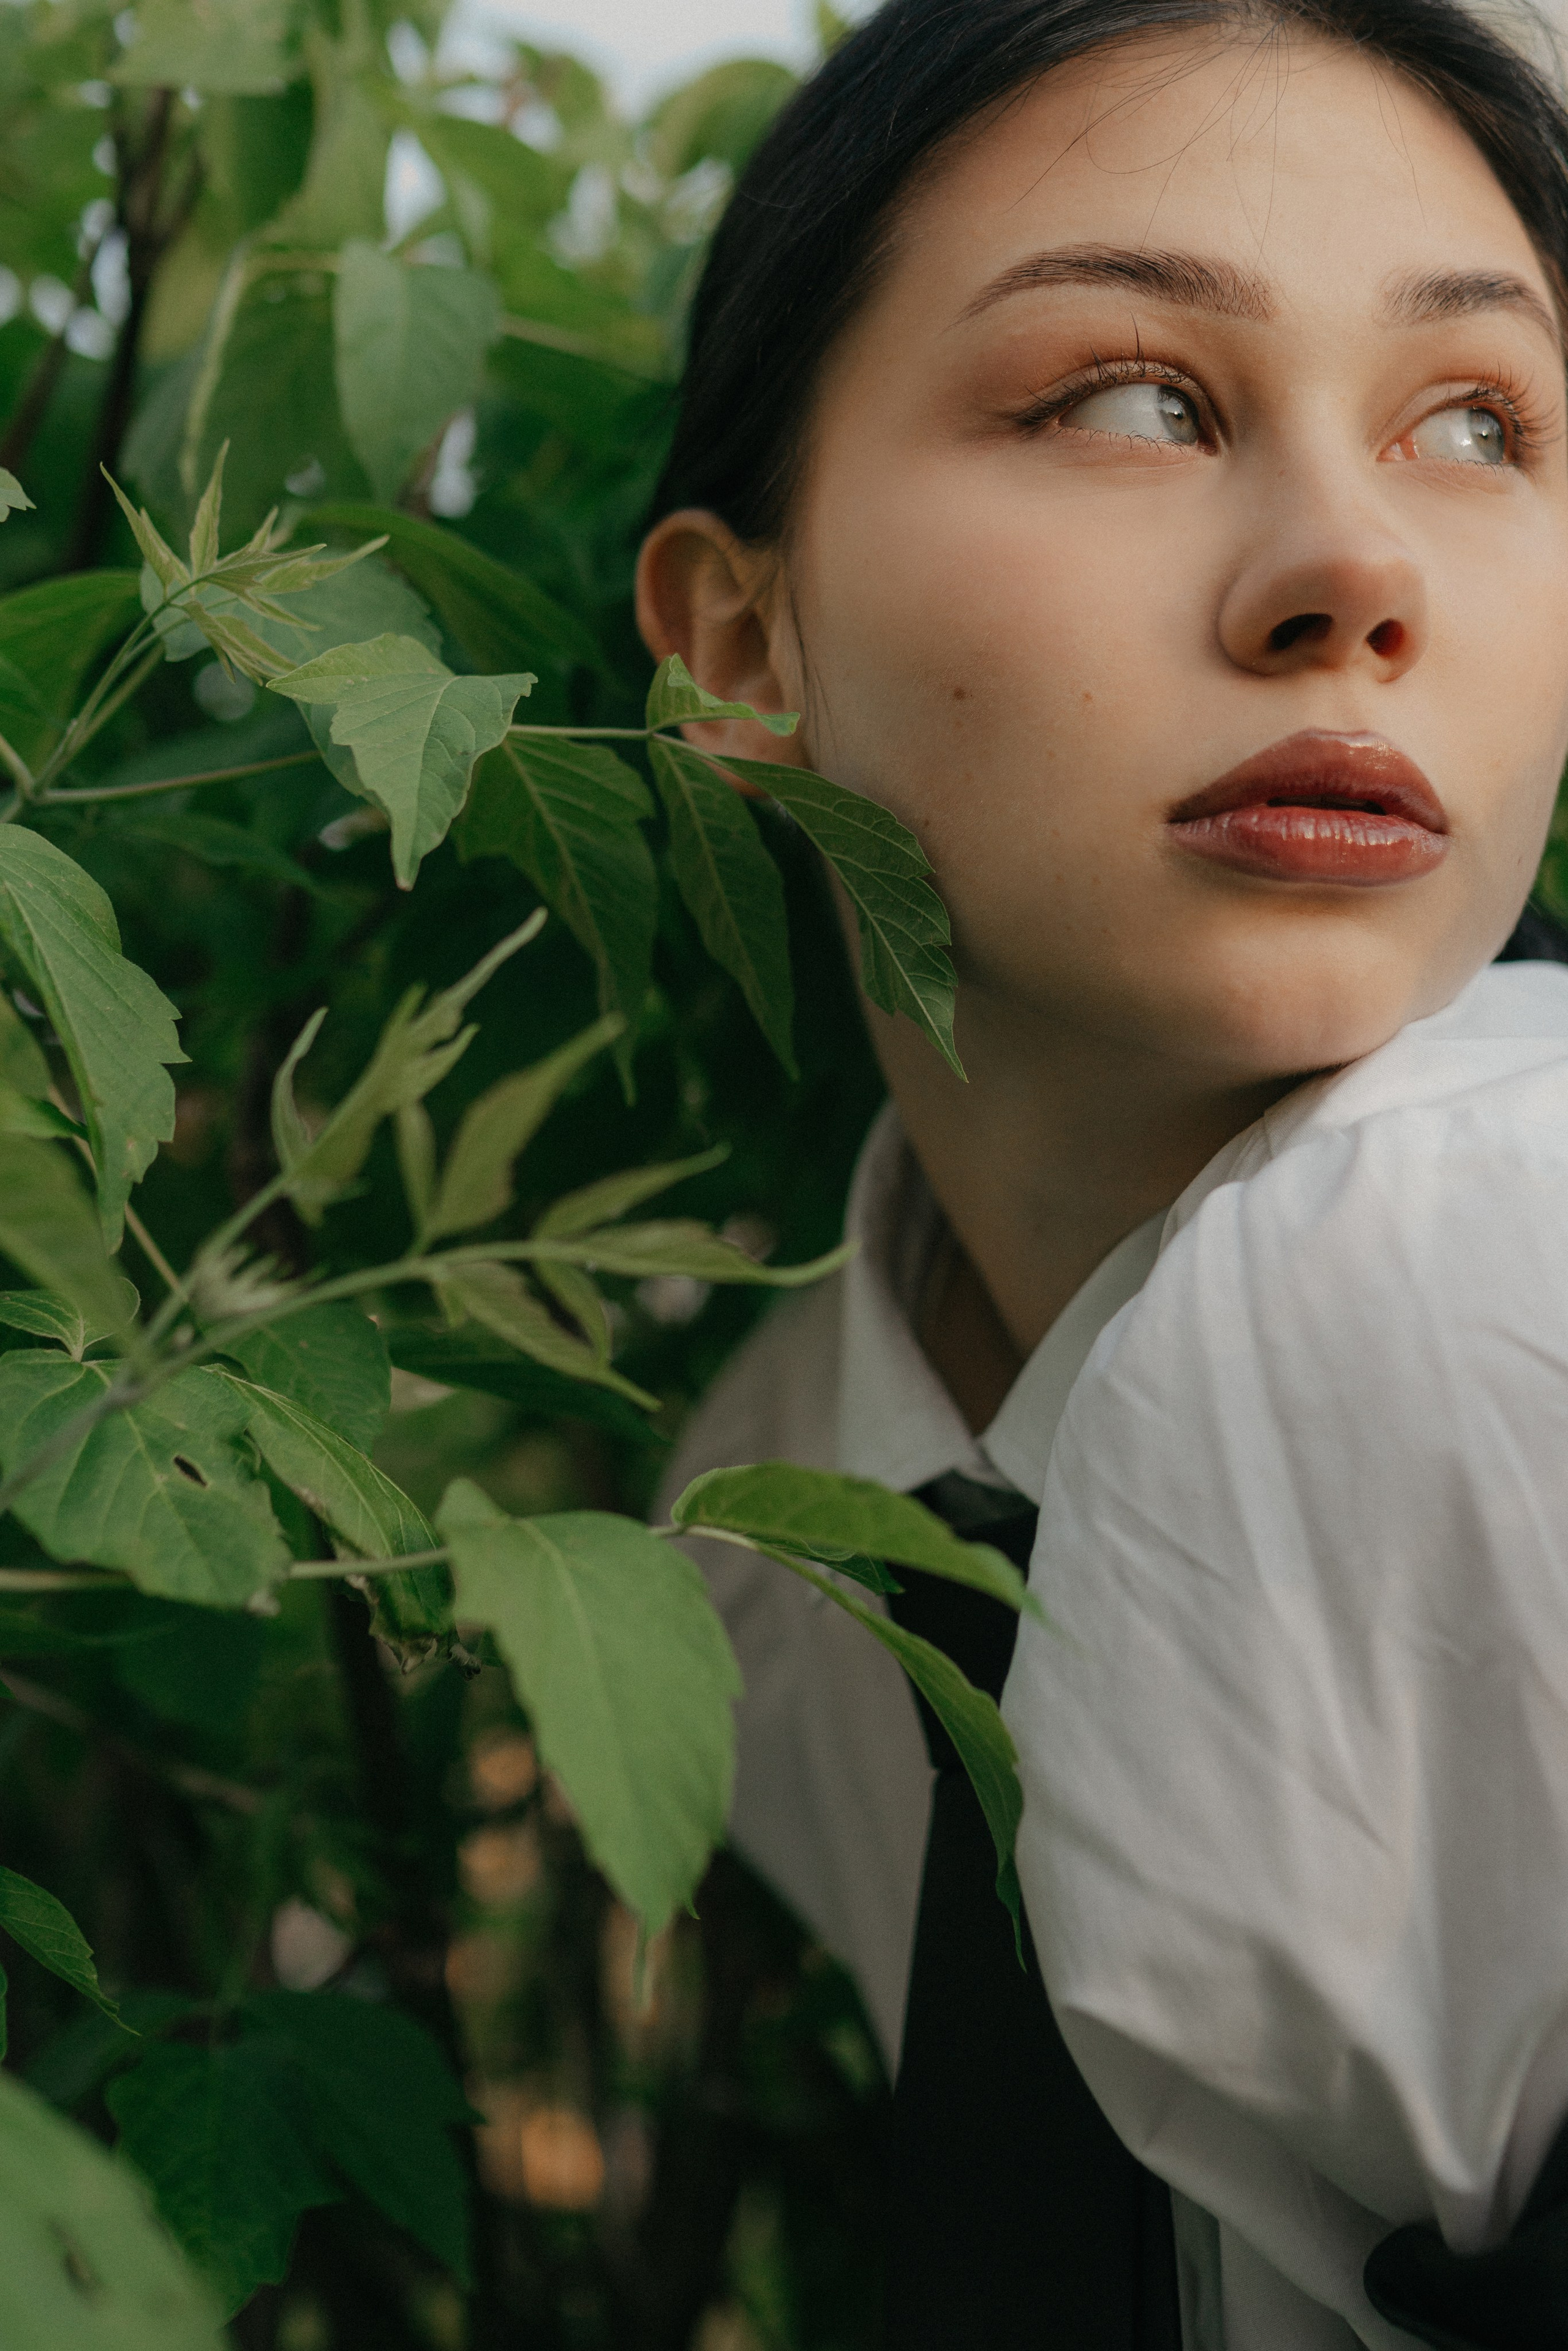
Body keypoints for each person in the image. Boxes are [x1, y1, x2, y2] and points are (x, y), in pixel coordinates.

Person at [634, 1, 1568, 2344]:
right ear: (740, 647)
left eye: (1482, 424)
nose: (1352, 575)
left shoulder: (1493, 1268)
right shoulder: (752, 1542)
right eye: (1134, 398)